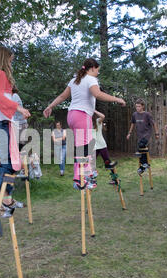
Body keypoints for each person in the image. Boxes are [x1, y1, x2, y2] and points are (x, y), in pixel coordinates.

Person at [43, 58, 126, 190]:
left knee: (82, 147)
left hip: (71, 116)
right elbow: (98, 94)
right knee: (84, 149)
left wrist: (50, 106)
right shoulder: (90, 79)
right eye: (98, 70)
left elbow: (62, 97)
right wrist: (117, 99)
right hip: (82, 115)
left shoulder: (75, 80)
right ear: (92, 68)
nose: (98, 73)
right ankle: (80, 179)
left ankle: (83, 176)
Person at [0, 47, 31, 218]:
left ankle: (7, 199)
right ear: (4, 59)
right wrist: (19, 108)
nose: (11, 63)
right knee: (9, 165)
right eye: (10, 60)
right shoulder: (0, 74)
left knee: (9, 165)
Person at [126, 98, 160, 175]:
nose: (137, 108)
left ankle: (144, 164)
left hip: (147, 135)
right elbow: (132, 124)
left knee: (141, 146)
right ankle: (143, 166)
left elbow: (154, 124)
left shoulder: (147, 115)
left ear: (143, 106)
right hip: (139, 135)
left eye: (139, 106)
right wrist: (129, 133)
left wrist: (157, 133)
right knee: (141, 149)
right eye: (136, 106)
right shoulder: (134, 114)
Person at [91, 110, 117, 184]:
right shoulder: (87, 123)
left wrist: (93, 110)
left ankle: (114, 179)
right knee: (91, 163)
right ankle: (92, 180)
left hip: (101, 145)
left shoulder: (98, 121)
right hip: (93, 146)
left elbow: (103, 116)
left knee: (107, 162)